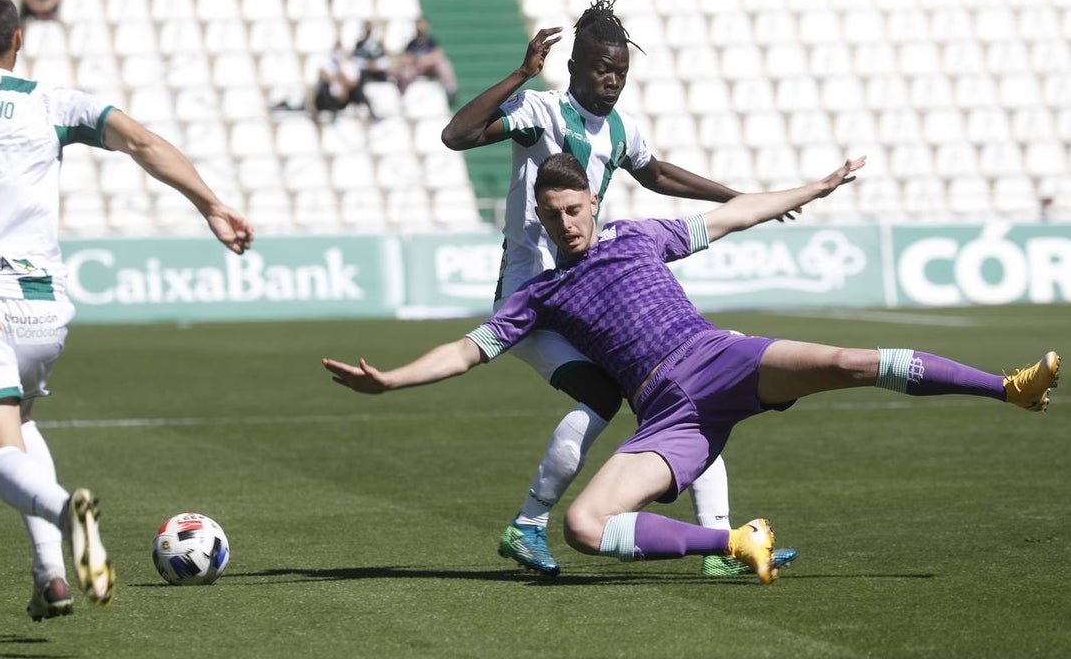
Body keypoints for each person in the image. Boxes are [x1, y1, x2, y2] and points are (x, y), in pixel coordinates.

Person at [324, 152, 1060, 582]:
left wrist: (815, 187)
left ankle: (1009, 387)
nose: (565, 223)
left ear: (594, 200)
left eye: (574, 208)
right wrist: (388, 380)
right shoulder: (539, 294)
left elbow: (737, 214)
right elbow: (465, 350)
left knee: (847, 359)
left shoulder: (640, 237)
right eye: (552, 217)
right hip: (669, 415)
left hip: (721, 359)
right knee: (584, 523)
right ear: (541, 221)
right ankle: (736, 541)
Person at [0, 0, 255, 620]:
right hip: (42, 311)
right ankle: (50, 576)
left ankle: (64, 512)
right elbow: (142, 142)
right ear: (18, 40)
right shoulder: (51, 101)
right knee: (18, 424)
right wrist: (211, 204)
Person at [440, 0, 794, 578]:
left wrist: (736, 199)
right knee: (607, 395)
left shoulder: (621, 129)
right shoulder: (540, 110)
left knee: (688, 392)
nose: (612, 80)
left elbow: (656, 174)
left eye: (621, 72)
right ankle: (527, 525)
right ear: (576, 66)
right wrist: (521, 75)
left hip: (583, 294)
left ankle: (719, 548)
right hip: (531, 300)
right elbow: (459, 134)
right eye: (603, 69)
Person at [396, 17, 458, 105]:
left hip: (430, 68)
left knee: (443, 64)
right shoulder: (412, 44)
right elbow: (405, 58)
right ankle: (402, 94)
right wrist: (418, 61)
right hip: (416, 69)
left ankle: (450, 88)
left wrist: (425, 60)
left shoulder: (431, 42)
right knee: (405, 72)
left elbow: (439, 54)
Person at [313, 41, 376, 122]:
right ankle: (327, 112)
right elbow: (325, 77)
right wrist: (338, 78)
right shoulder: (326, 63)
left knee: (358, 90)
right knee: (322, 88)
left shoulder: (350, 65)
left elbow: (353, 83)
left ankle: (367, 111)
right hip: (332, 96)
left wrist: (340, 74)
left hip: (347, 95)